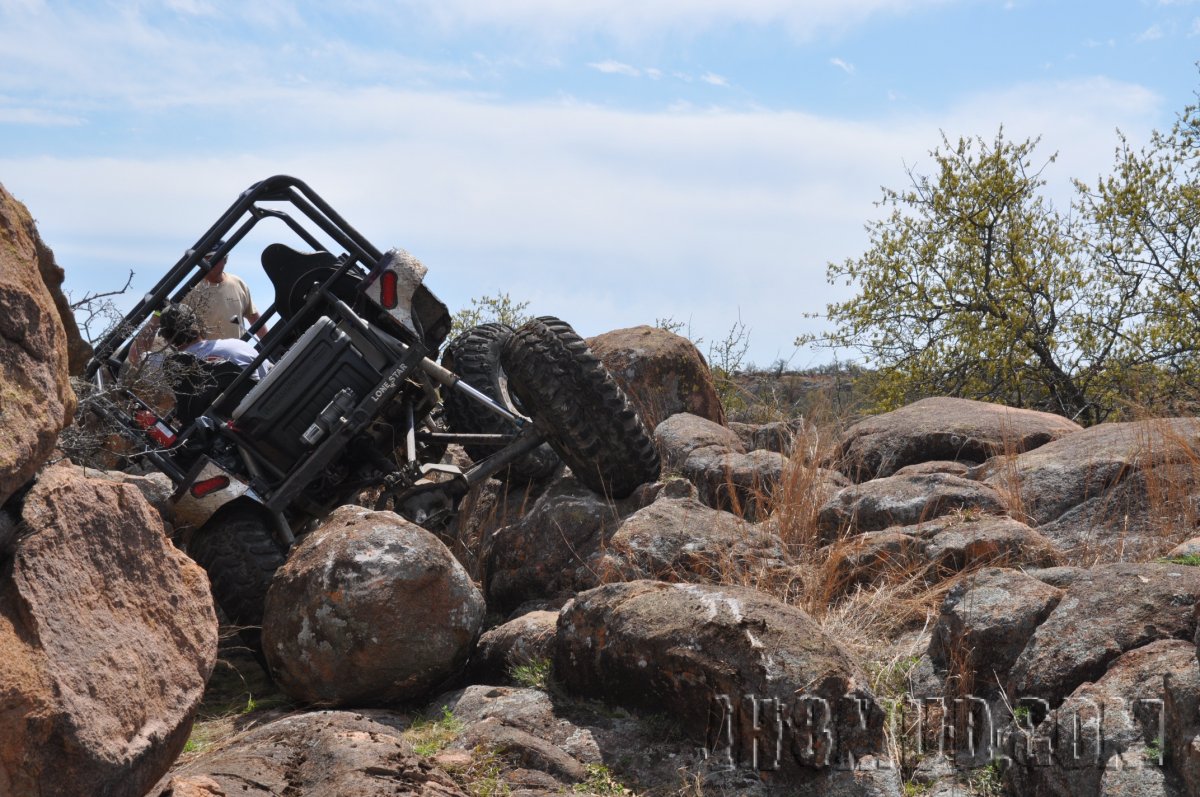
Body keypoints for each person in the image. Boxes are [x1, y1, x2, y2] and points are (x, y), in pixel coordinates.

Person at [158, 303, 272, 382]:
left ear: (167, 337)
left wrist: (156, 314)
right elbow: (269, 371)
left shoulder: (177, 372)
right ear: (197, 324)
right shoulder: (237, 345)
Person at [183, 240, 268, 341]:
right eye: (206, 259)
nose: (210, 262)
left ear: (225, 259)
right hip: (207, 355)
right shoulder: (191, 291)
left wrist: (271, 346)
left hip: (237, 354)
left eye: (215, 258)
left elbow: (254, 317)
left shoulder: (237, 283)